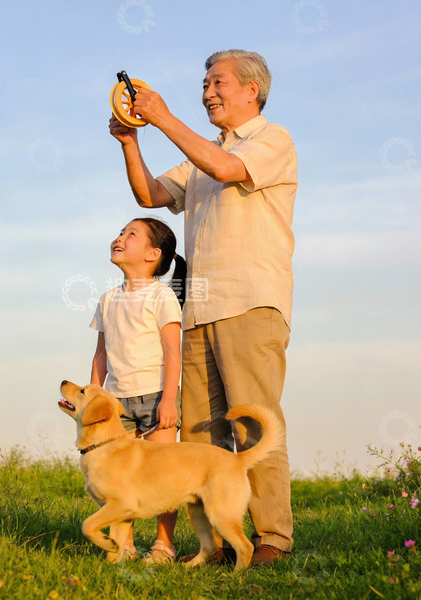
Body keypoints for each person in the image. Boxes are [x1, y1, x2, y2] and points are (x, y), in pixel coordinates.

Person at [108, 49, 297, 566]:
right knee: (196, 435)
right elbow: (151, 193)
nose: (207, 92)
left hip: (250, 301)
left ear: (251, 89)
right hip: (197, 312)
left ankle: (272, 539)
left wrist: (163, 115)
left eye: (217, 83)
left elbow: (226, 166)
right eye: (205, 83)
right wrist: (131, 139)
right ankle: (211, 543)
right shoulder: (199, 154)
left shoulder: (271, 139)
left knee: (251, 427)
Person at [89, 217, 186, 564]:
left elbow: (174, 352)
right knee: (119, 479)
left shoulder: (162, 296)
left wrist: (169, 400)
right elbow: (101, 354)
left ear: (152, 254)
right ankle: (124, 545)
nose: (119, 238)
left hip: (156, 397)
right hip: (116, 404)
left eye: (130, 234)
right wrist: (94, 398)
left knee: (164, 478)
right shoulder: (107, 299)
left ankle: (164, 545)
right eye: (119, 233)